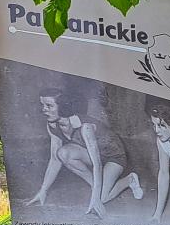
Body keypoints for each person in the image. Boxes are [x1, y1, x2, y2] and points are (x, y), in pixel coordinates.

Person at [27, 88, 141, 216]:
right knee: (62, 153)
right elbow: (54, 159)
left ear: (63, 106)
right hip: (91, 155)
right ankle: (96, 186)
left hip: (113, 157)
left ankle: (130, 180)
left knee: (102, 199)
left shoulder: (85, 126)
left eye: (49, 106)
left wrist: (95, 198)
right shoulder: (52, 126)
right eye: (42, 105)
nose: (44, 109)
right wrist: (43, 190)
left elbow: (97, 164)